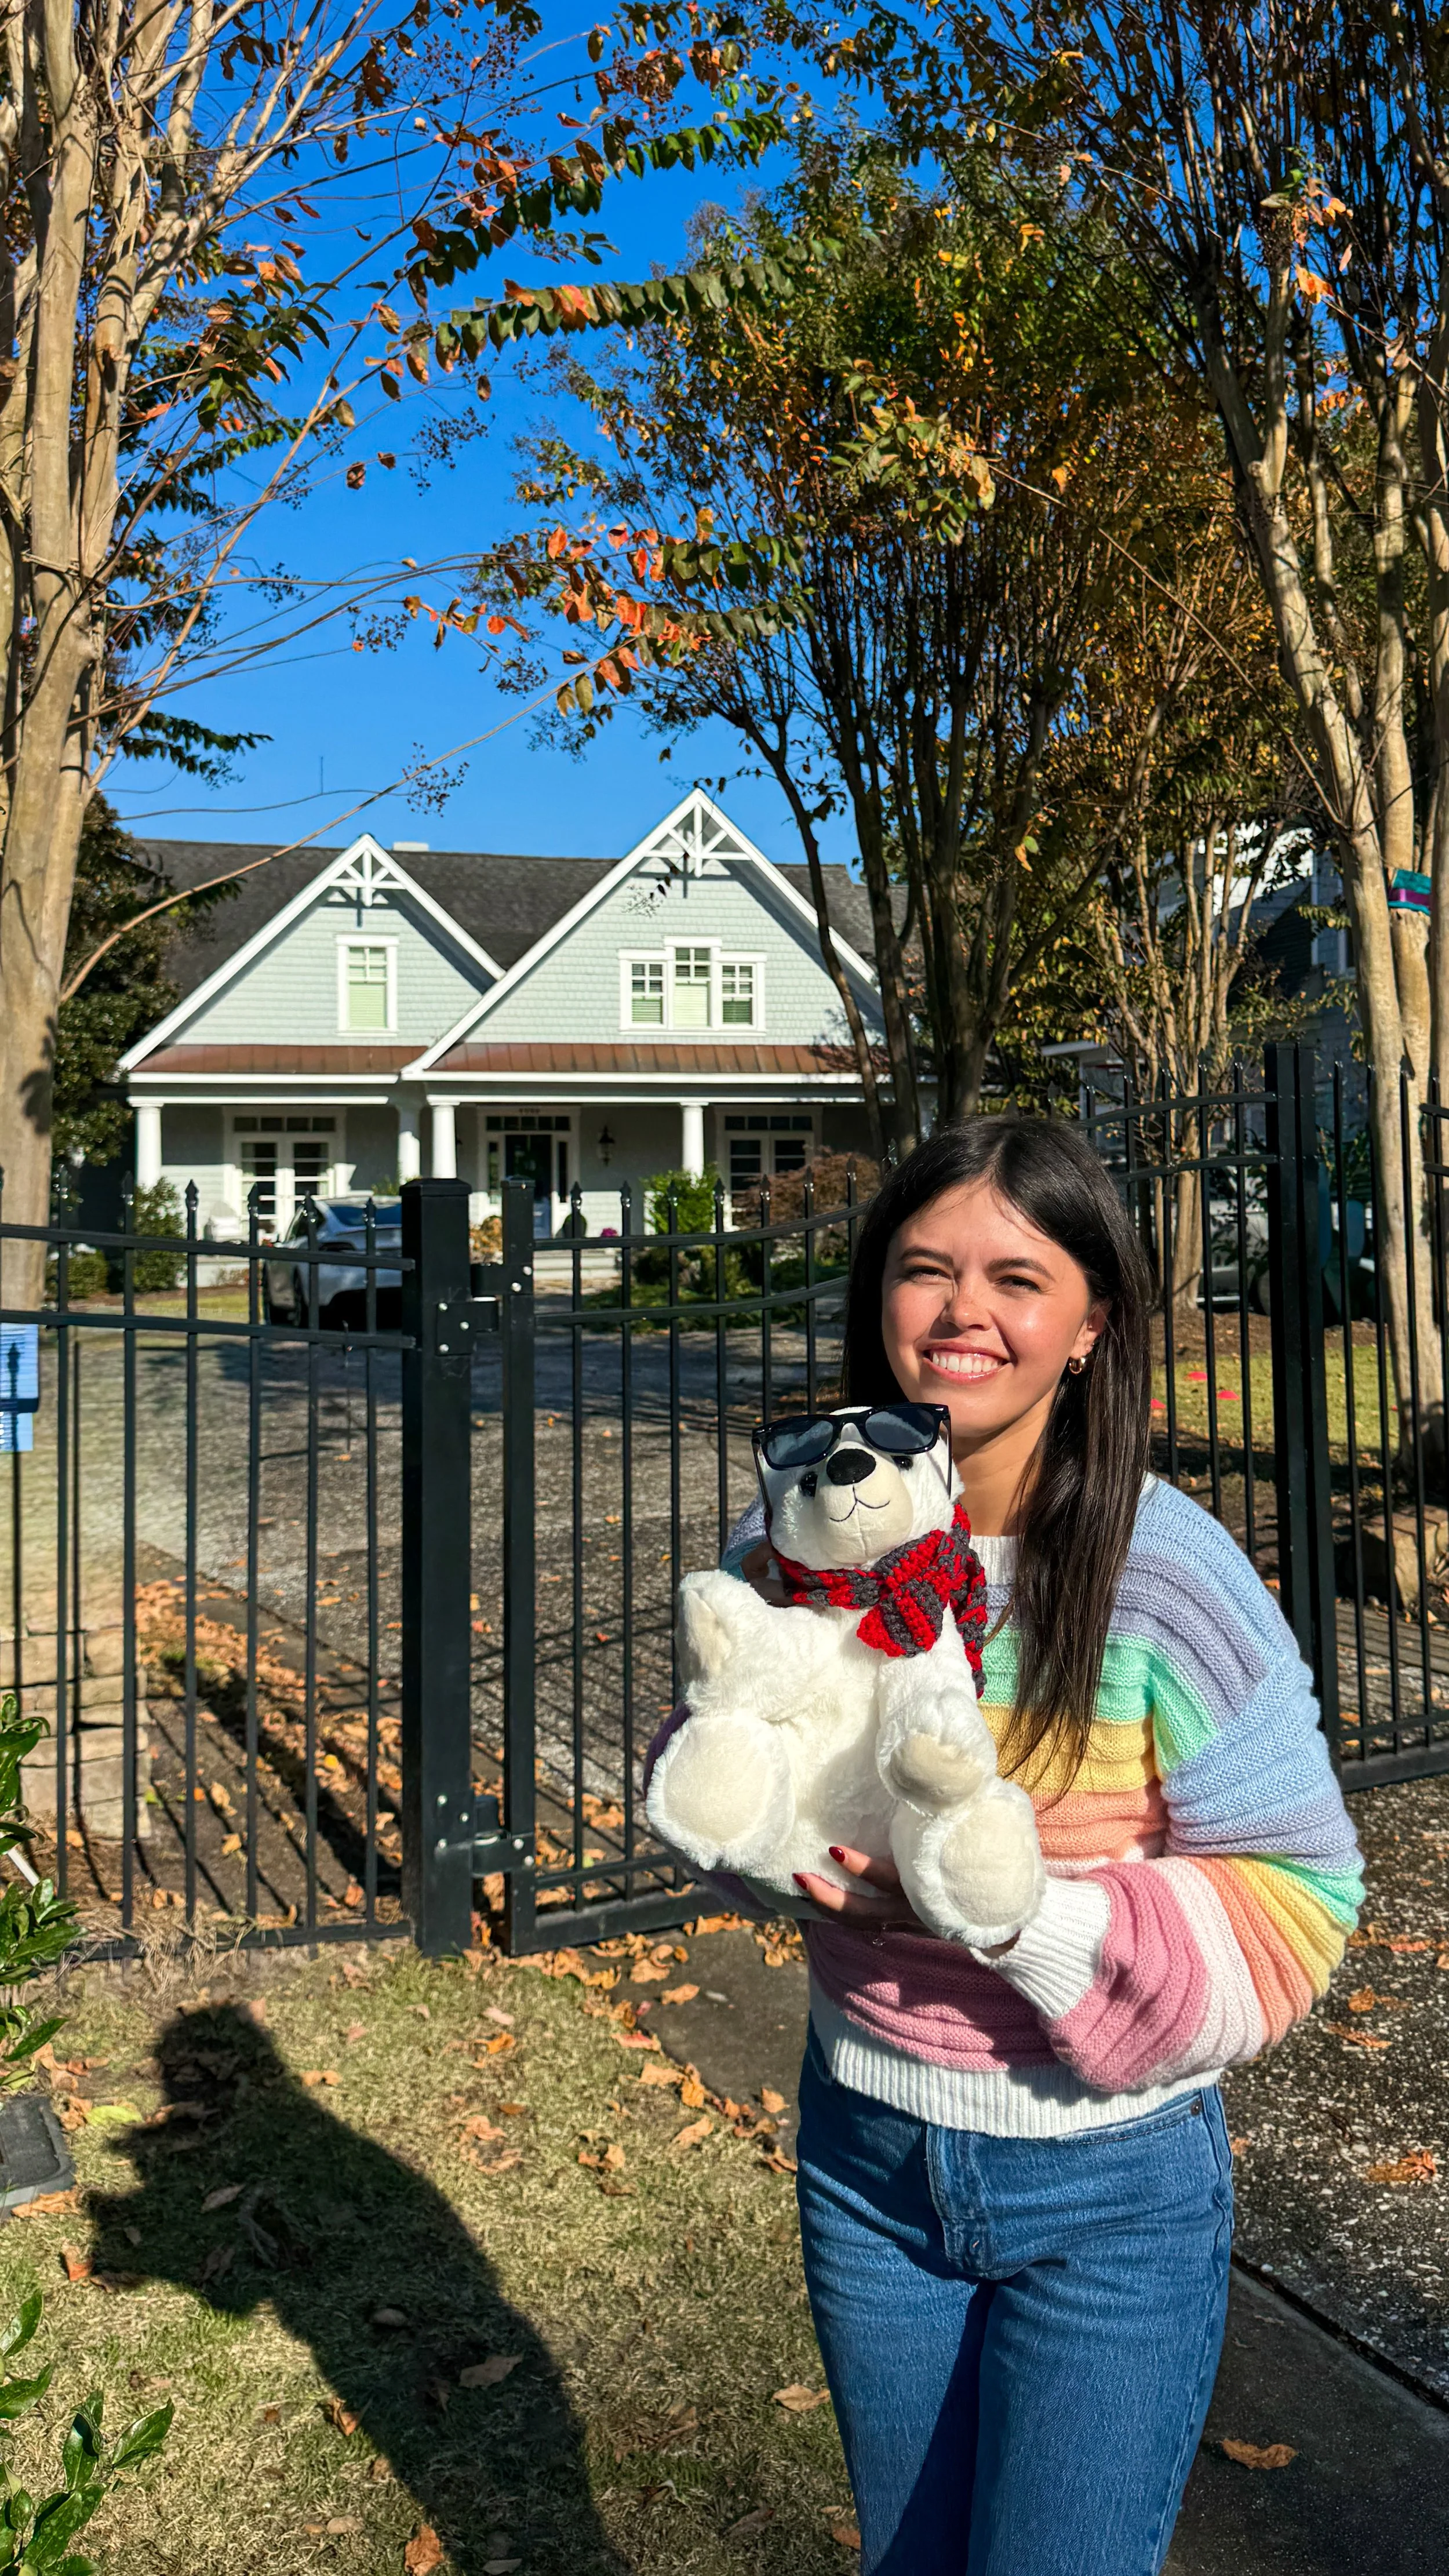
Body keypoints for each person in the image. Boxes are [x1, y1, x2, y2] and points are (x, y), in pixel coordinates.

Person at [695, 1117, 1361, 2576]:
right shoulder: (796, 1529)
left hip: (1105, 2188)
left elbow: (1300, 1898)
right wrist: (761, 1846)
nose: (961, 1314)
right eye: (924, 1270)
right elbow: (715, 1773)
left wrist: (999, 1915)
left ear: (1089, 1322)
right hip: (863, 2159)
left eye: (1016, 1275)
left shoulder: (1162, 1569)